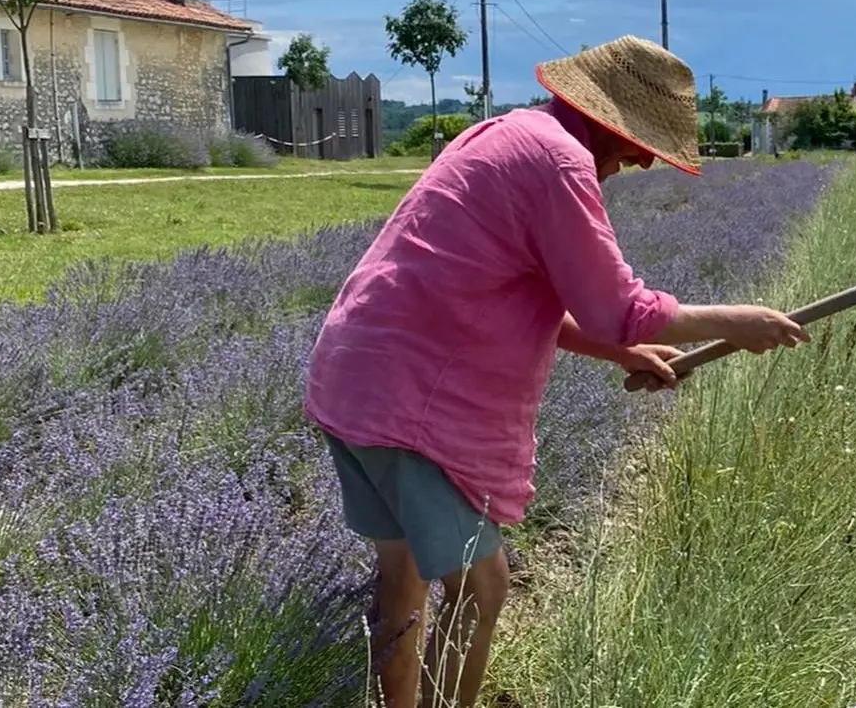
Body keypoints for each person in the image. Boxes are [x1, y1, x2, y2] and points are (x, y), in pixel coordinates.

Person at [303, 35, 810, 708]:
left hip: (354, 378)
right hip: (410, 403)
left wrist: (623, 352)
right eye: (638, 140)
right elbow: (618, 306)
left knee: (402, 580)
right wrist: (736, 322)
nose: (638, 160)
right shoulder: (558, 160)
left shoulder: (507, 132)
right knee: (483, 587)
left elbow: (525, 295)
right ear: (605, 118)